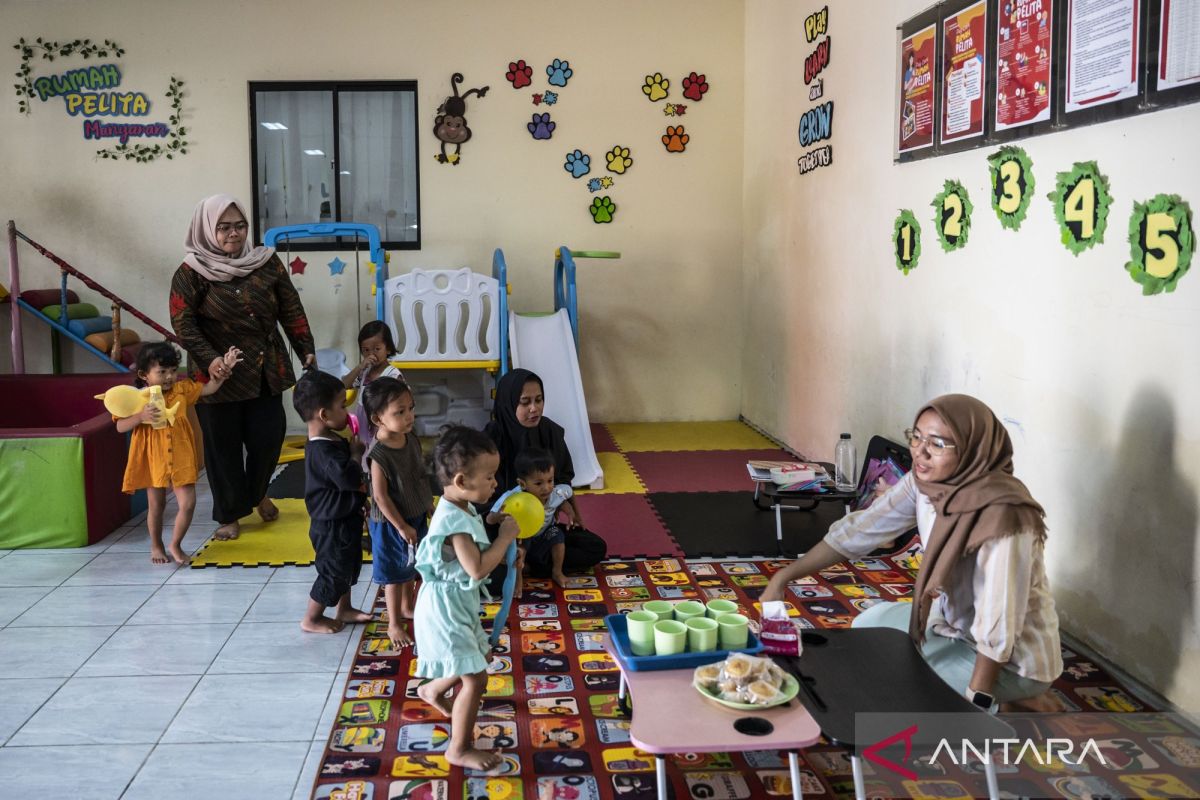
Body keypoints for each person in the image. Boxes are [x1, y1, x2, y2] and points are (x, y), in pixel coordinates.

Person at [761, 394, 1062, 710]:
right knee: (867, 628)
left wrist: (976, 701)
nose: (920, 451)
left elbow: (998, 622)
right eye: (916, 437)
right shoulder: (927, 484)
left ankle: (1017, 696)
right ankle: (988, 692)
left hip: (1012, 658)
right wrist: (784, 577)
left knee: (896, 683)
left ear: (975, 449)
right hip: (952, 626)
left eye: (938, 444)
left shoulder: (1005, 517)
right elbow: (861, 530)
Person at [169, 193, 316, 541]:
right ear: (206, 229)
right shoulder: (190, 273)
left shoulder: (266, 262)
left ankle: (256, 493)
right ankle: (231, 515)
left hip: (266, 368)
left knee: (268, 439)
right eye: (223, 228)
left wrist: (305, 349)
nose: (233, 234)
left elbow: (290, 307)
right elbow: (183, 324)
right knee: (223, 449)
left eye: (239, 226)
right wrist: (212, 359)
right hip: (218, 376)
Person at [412, 426, 519, 770]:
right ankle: (457, 749)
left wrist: (488, 519)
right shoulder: (454, 521)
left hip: (457, 603)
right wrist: (504, 538)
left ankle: (431, 691)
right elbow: (476, 568)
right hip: (446, 610)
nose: (495, 483)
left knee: (478, 655)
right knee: (475, 676)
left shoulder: (459, 504)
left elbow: (471, 531)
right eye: (489, 477)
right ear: (461, 480)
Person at [114, 341, 242, 565]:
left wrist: (225, 370)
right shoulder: (137, 398)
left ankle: (175, 543)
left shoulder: (182, 389)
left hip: (181, 455)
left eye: (173, 371)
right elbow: (120, 426)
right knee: (157, 505)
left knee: (188, 503)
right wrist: (140, 417)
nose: (169, 377)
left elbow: (209, 388)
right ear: (144, 374)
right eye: (161, 372)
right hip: (153, 458)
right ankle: (156, 545)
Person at [483, 369, 606, 584]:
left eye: (539, 400)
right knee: (492, 578)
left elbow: (563, 478)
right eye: (525, 402)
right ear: (509, 403)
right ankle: (527, 562)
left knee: (595, 547)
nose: (534, 408)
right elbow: (481, 497)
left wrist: (567, 507)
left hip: (542, 527)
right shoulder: (492, 437)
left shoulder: (549, 432)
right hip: (503, 531)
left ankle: (529, 563)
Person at [293, 370, 374, 634]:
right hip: (331, 525)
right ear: (324, 415)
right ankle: (311, 619)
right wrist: (356, 454)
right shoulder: (323, 451)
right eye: (342, 405)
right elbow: (349, 478)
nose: (347, 411)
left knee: (350, 566)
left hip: (344, 517)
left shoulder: (329, 439)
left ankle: (345, 608)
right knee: (333, 571)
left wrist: (360, 501)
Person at [363, 376, 433, 648]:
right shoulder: (379, 454)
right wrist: (401, 526)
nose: (409, 416)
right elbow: (379, 496)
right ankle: (393, 623)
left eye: (411, 408)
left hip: (415, 512)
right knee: (393, 573)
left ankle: (407, 607)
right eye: (399, 412)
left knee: (413, 565)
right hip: (391, 523)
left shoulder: (410, 439)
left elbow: (418, 475)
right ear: (378, 418)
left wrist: (427, 502)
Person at [487, 447, 575, 588]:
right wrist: (498, 516)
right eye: (539, 483)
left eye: (550, 480)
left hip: (543, 536)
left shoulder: (555, 492)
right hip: (522, 537)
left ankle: (557, 571)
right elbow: (489, 519)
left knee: (557, 534)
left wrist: (570, 508)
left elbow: (569, 492)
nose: (546, 488)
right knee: (519, 545)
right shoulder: (512, 497)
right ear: (522, 484)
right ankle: (518, 578)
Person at [344, 320, 405, 450]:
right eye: (366, 350)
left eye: (377, 349)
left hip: (382, 426)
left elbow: (402, 403)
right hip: (363, 426)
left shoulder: (393, 374)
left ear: (388, 348)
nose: (371, 354)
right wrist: (360, 367)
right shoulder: (364, 372)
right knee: (363, 459)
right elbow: (343, 385)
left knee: (379, 457)